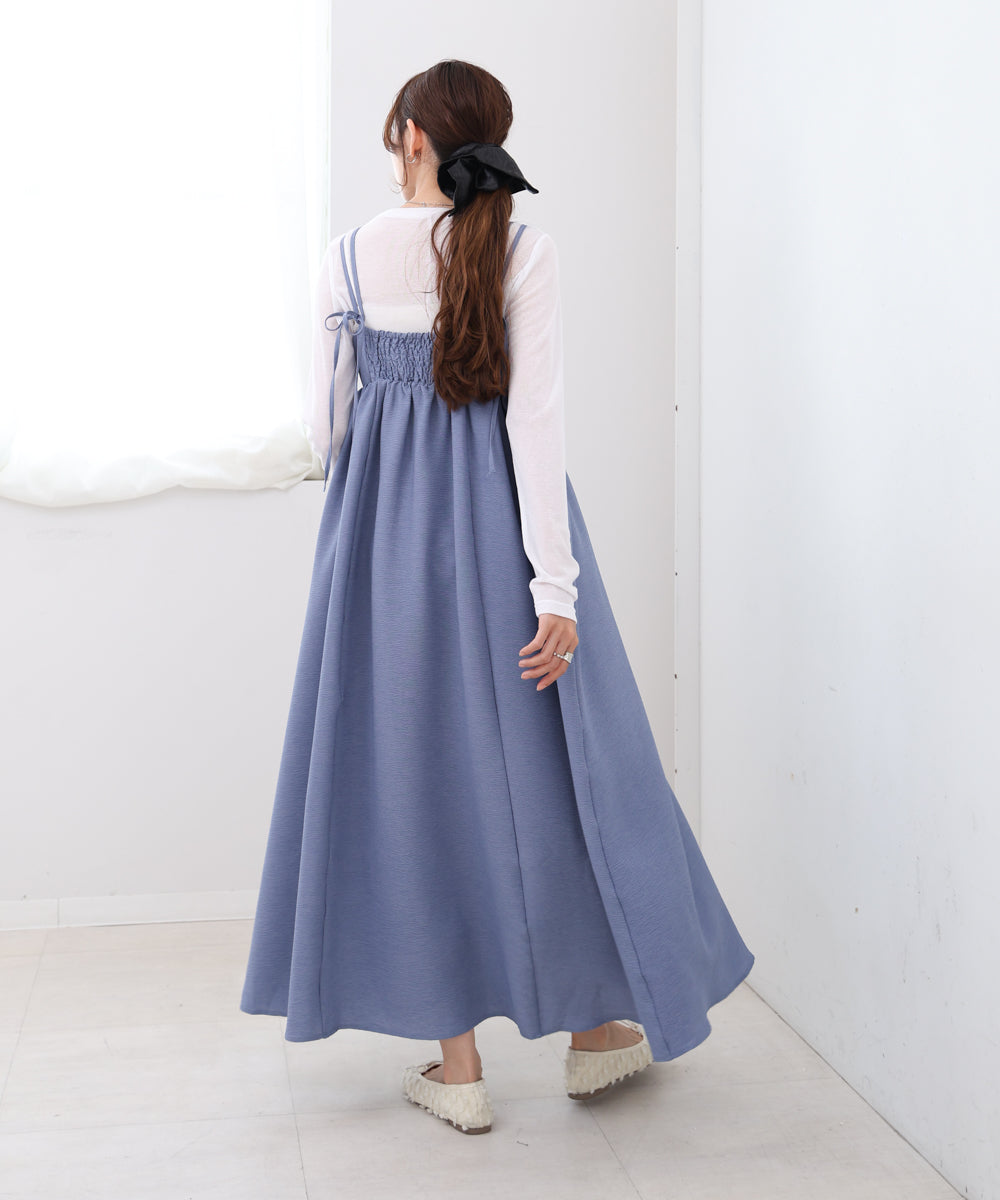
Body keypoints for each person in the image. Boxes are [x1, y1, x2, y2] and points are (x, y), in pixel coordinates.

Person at [239, 58, 754, 1136]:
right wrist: (554, 587)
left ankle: (459, 1065)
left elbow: (329, 428)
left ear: (413, 139)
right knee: (559, 767)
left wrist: (379, 479)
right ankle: (594, 1030)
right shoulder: (523, 247)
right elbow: (537, 422)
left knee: (407, 775)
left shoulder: (346, 254)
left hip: (379, 547)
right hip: (503, 534)